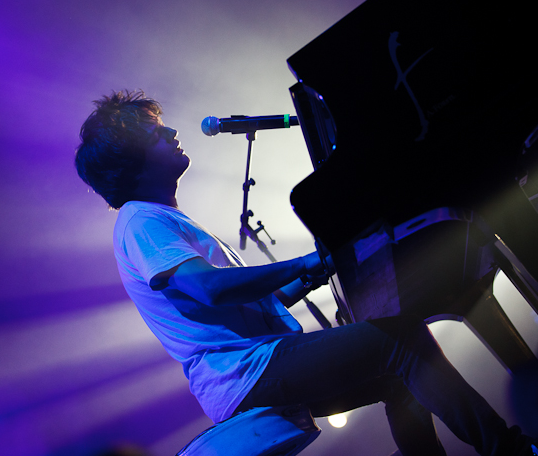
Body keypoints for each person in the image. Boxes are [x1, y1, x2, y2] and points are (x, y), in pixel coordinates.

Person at [74, 89, 536, 456]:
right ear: (131, 160)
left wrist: (318, 271)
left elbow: (247, 306)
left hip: (255, 365)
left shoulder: (158, 219)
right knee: (401, 339)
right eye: (155, 133)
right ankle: (511, 451)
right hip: (246, 374)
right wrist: (304, 261)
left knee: (399, 377)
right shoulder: (141, 221)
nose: (172, 131)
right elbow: (211, 289)